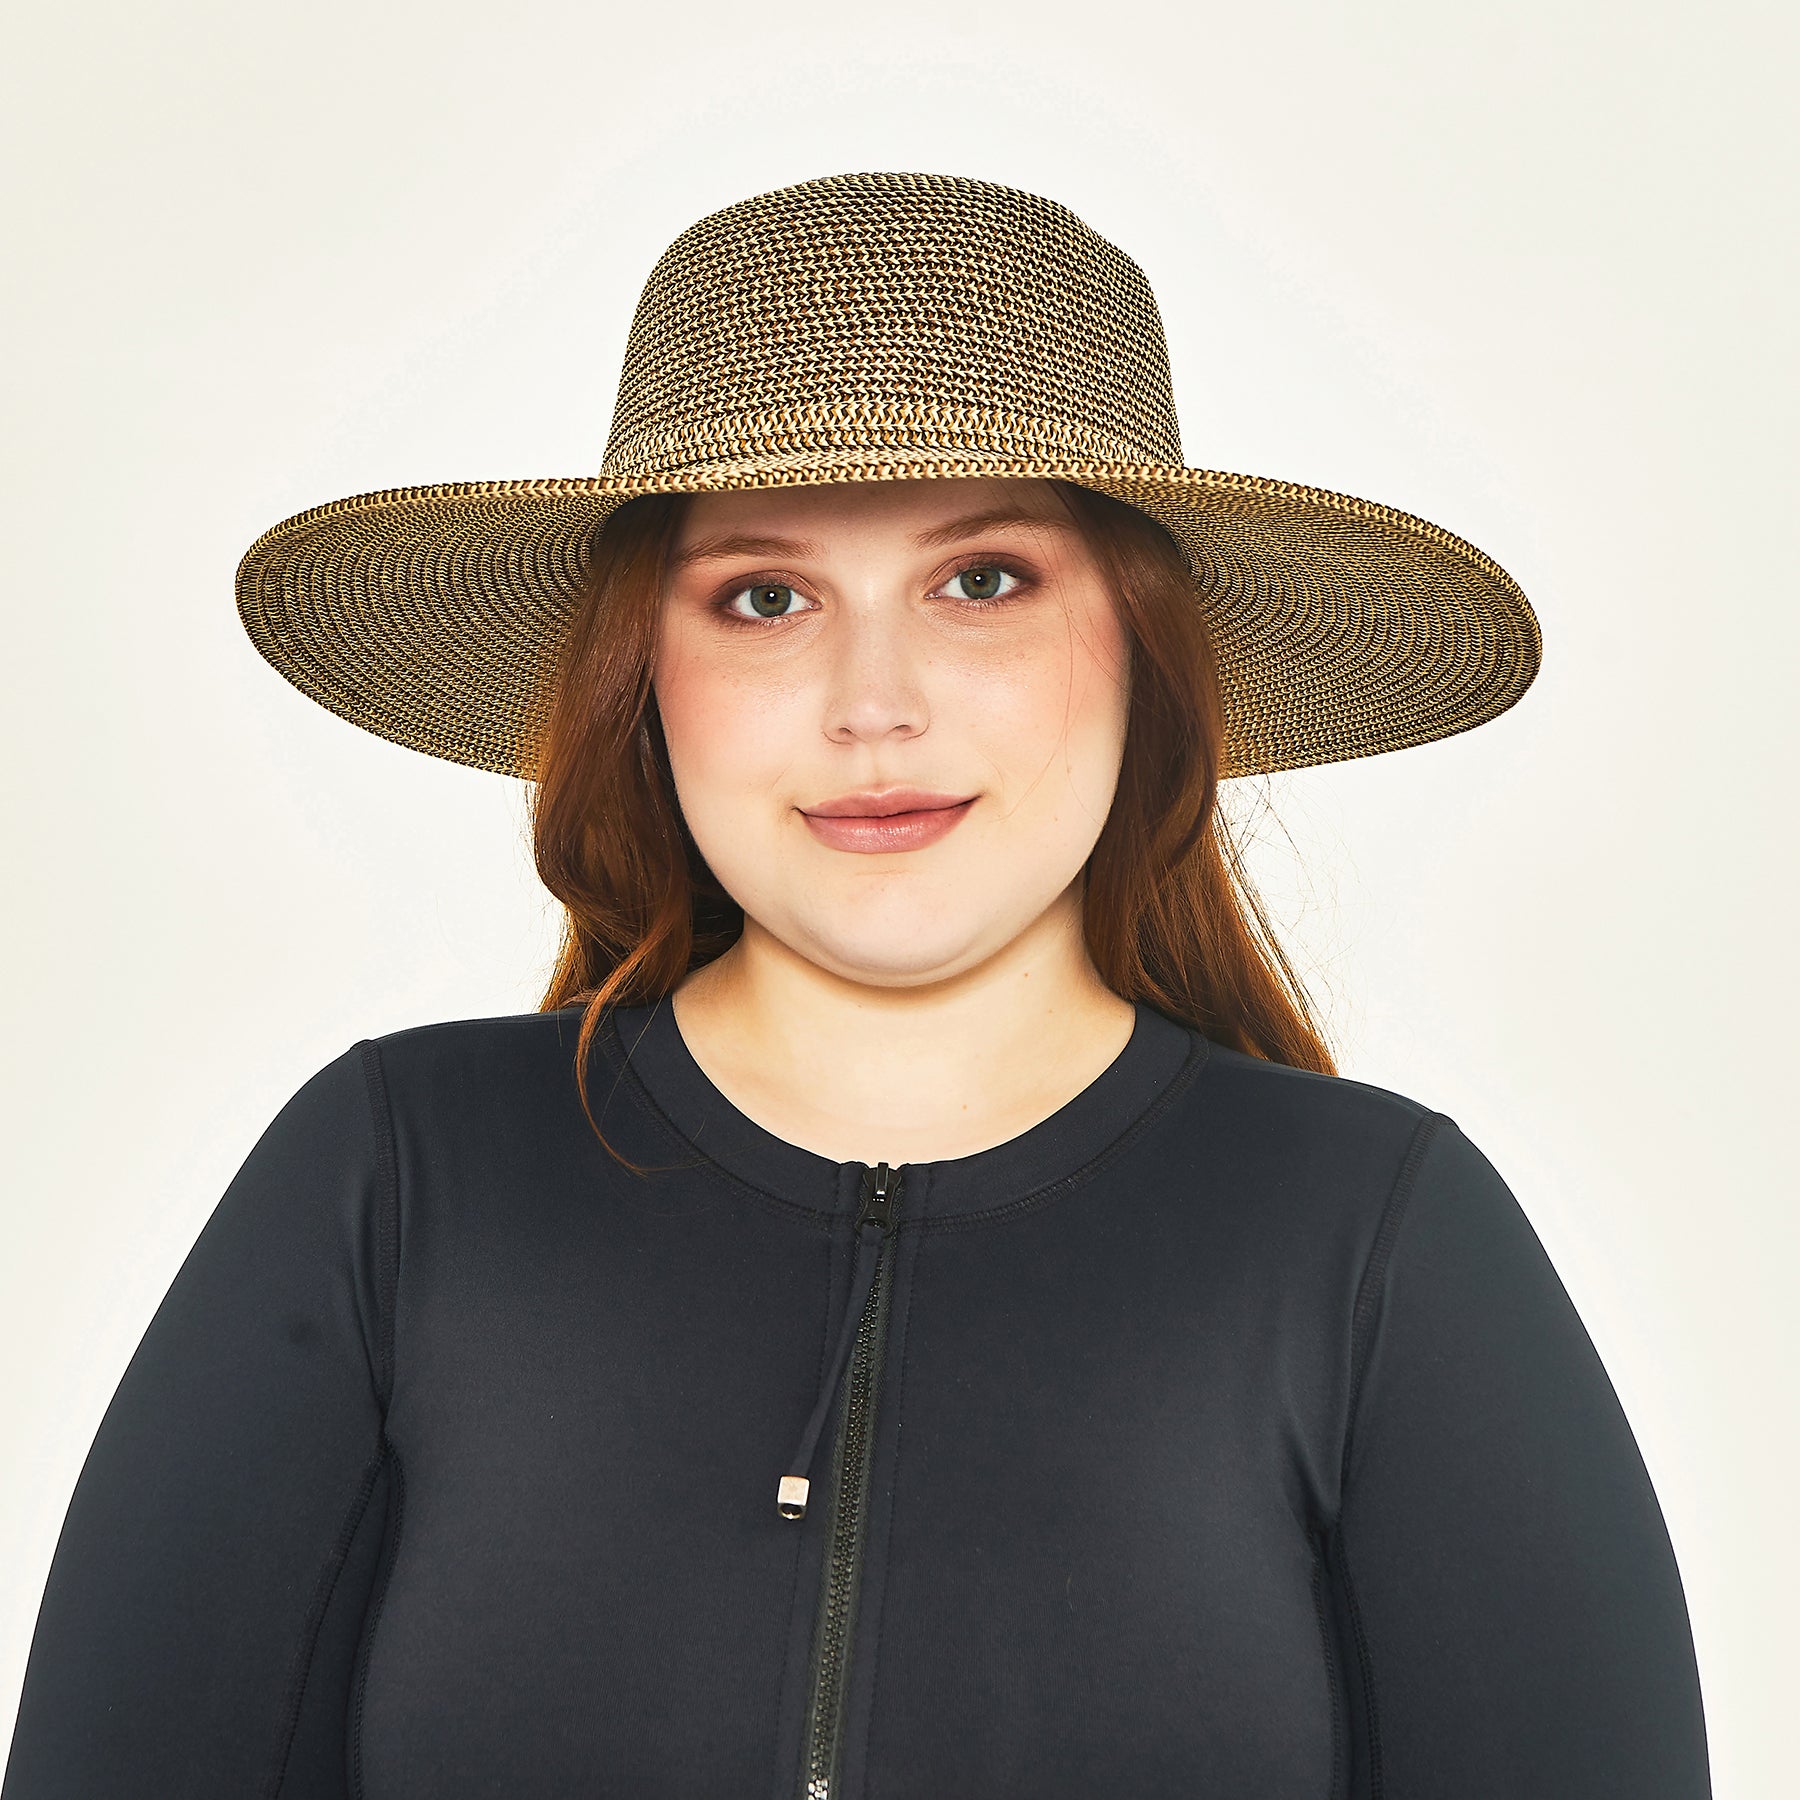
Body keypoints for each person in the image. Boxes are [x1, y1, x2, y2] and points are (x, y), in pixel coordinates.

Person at [1, 172, 1711, 1799]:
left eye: (983, 581)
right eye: (763, 597)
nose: (871, 704)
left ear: (1145, 647)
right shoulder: (396, 1177)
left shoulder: (1381, 1236)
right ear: (643, 675)